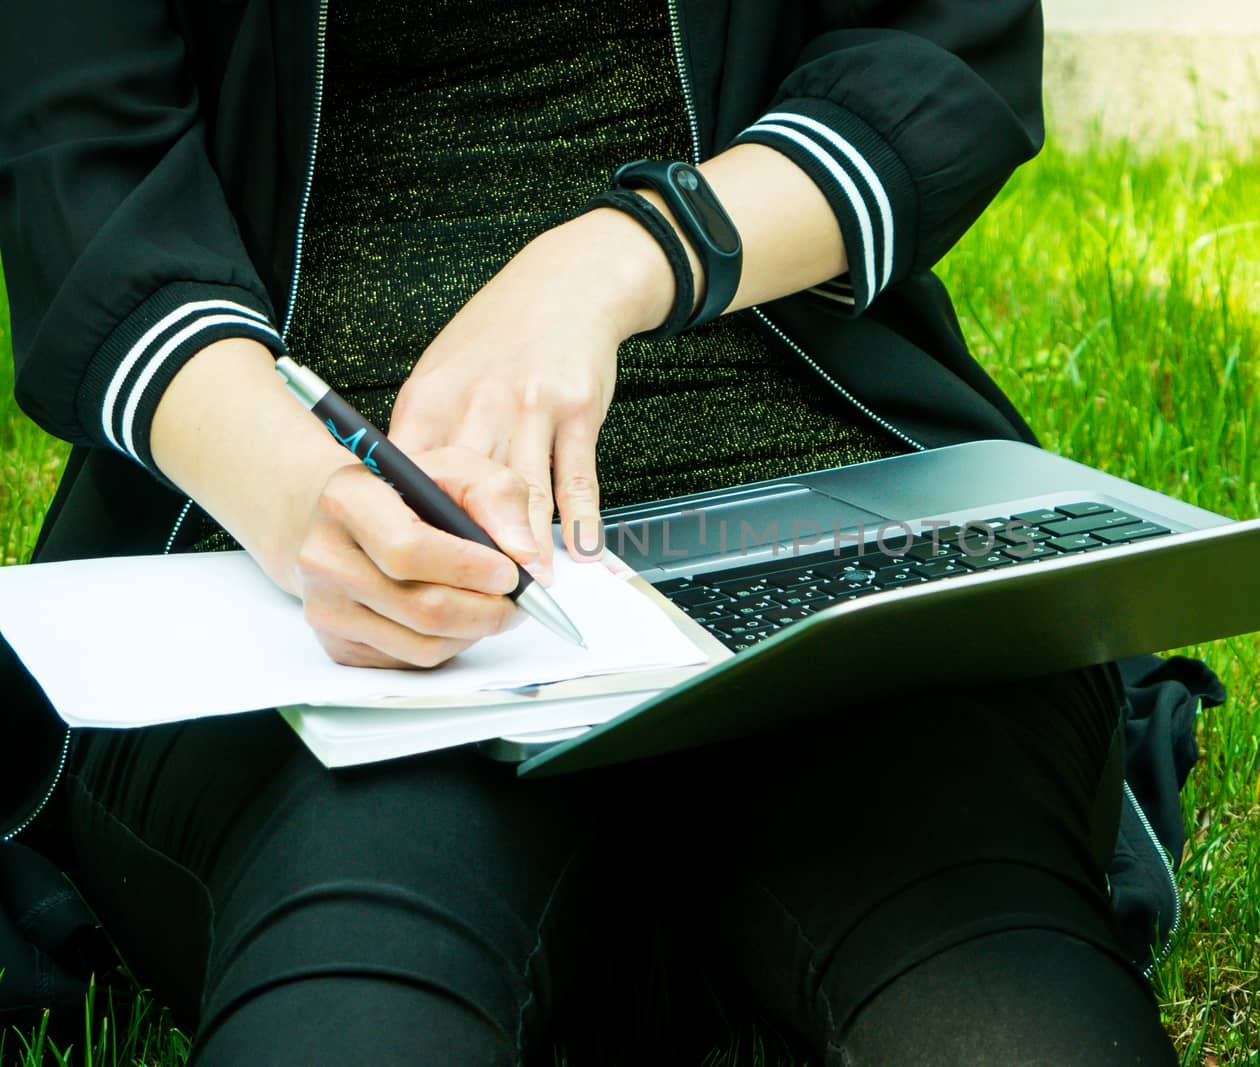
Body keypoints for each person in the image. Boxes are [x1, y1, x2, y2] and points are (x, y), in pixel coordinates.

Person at [0, 0, 1183, 1062]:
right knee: (361, 948)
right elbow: (86, 177)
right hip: (300, 543)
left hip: (814, 477)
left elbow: (936, 46)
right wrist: (300, 495)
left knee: (985, 968)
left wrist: (621, 258)